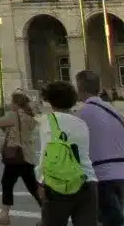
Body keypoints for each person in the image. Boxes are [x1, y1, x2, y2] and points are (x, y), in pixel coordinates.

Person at [74, 70, 124, 226]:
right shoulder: (116, 113)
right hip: (120, 174)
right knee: (111, 218)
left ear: (80, 89)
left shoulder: (82, 114)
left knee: (113, 221)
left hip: (100, 177)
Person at [37, 80, 97, 226]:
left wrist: (40, 181)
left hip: (58, 185)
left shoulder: (47, 121)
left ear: (50, 100)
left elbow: (46, 155)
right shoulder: (81, 123)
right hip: (86, 181)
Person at [0, 90, 43, 223]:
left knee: (7, 183)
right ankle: (47, 212)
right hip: (27, 155)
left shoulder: (14, 115)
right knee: (32, 187)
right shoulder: (30, 116)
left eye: (12, 101)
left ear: (16, 104)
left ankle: (4, 215)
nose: (10, 104)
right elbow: (15, 129)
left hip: (15, 156)